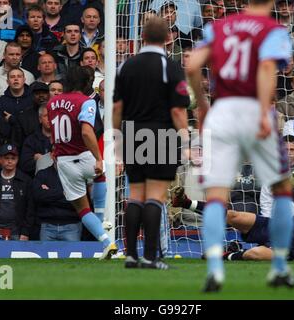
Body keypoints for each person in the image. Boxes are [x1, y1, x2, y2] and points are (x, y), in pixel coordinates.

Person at [186, 0, 294, 291]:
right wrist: (262, 112)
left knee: (217, 195)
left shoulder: (217, 27)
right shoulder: (273, 30)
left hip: (221, 111)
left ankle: (214, 269)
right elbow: (267, 66)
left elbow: (193, 64)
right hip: (253, 108)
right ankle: (281, 267)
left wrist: (203, 104)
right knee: (282, 189)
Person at [113, 17, 190, 270]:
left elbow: (117, 106)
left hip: (133, 132)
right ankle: (150, 257)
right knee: (155, 197)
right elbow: (178, 109)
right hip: (161, 132)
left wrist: (115, 135)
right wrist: (186, 137)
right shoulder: (170, 66)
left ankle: (131, 256)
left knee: (135, 195)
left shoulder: (126, 66)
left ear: (142, 37)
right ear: (168, 37)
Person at [172, 180, 294, 262]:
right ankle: (186, 202)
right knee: (234, 216)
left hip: (289, 251)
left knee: (255, 254)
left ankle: (229, 255)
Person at [47, 66, 116, 259]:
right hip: (84, 155)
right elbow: (86, 131)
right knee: (100, 175)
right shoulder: (87, 102)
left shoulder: (52, 103)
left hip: (65, 161)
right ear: (86, 83)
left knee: (82, 208)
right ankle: (102, 220)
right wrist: (99, 157)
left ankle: (106, 241)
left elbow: (52, 129)